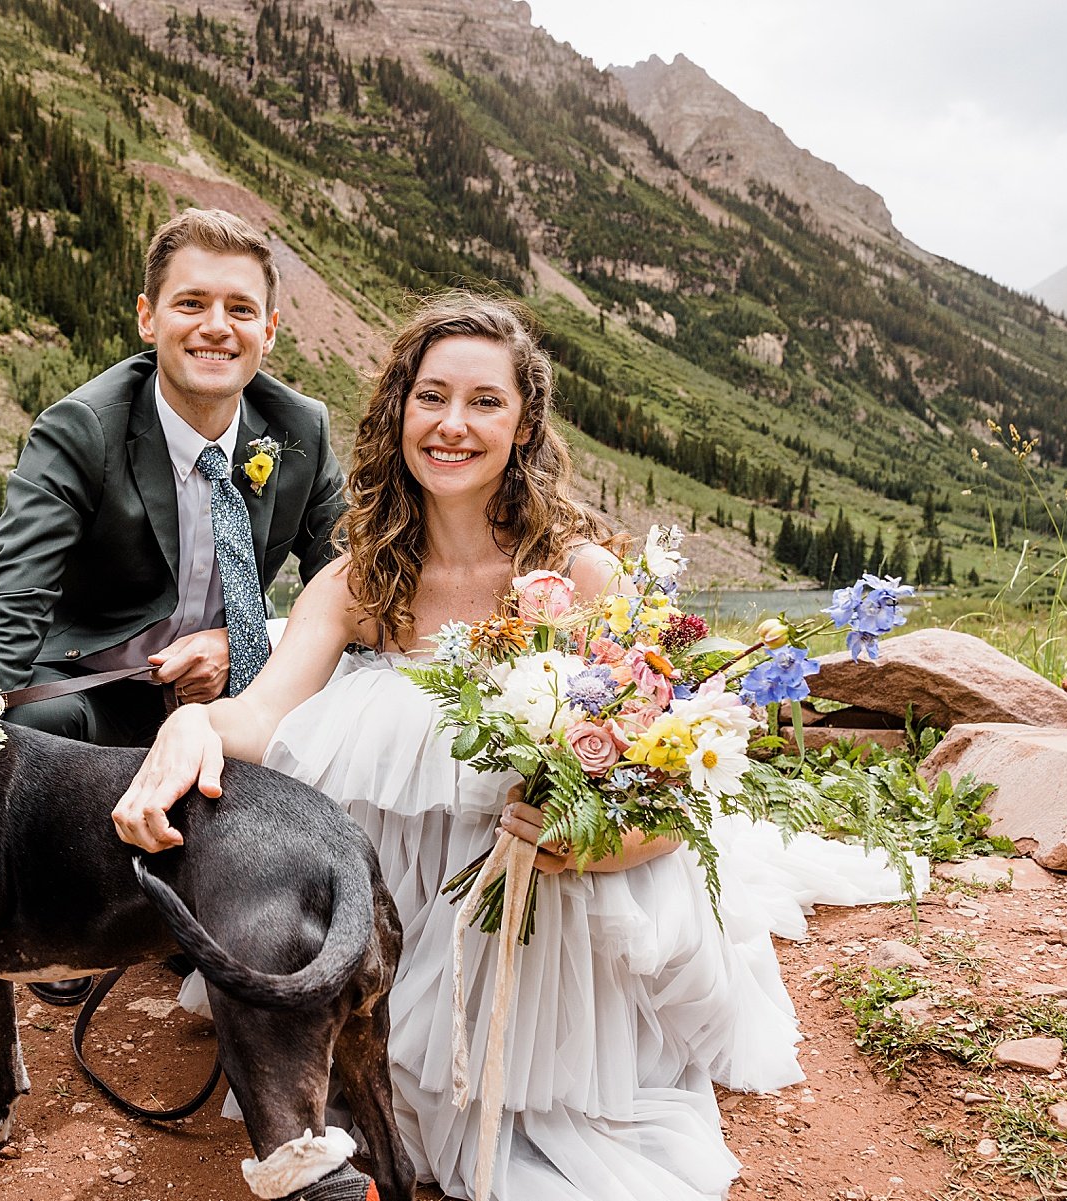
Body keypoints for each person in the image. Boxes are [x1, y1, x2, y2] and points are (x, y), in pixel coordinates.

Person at [112, 293, 920, 1200]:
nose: (453, 424)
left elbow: (659, 766)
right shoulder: (355, 579)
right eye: (432, 397)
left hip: (544, 886)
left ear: (524, 420)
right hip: (403, 893)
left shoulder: (579, 574)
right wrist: (190, 721)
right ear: (399, 412)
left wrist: (600, 841)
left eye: (485, 401)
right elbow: (261, 718)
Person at [0, 208, 347, 952]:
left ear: (268, 331)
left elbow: (356, 592)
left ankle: (247, 916)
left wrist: (250, 638)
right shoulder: (81, 430)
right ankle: (56, 916)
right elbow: (5, 609)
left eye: (239, 309)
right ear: (148, 317)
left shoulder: (302, 430)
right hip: (96, 698)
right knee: (13, 744)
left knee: (341, 720)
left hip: (233, 700)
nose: (215, 327)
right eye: (191, 303)